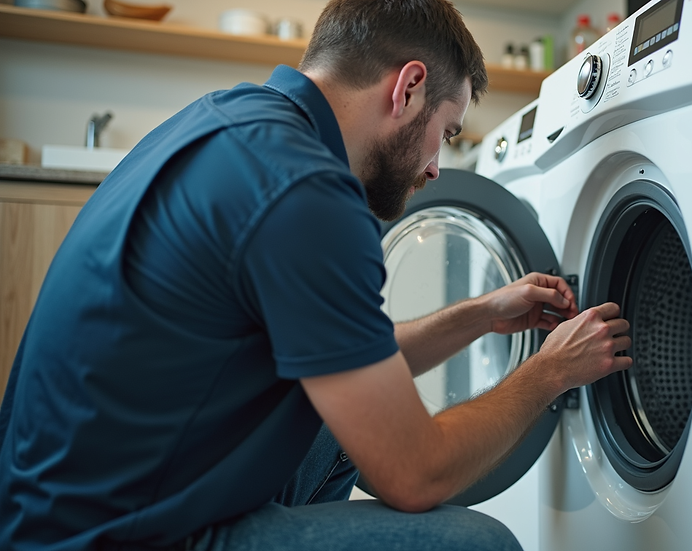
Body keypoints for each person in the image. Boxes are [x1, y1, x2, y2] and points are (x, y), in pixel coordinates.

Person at [0, 1, 632, 549]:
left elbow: (353, 364)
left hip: (54, 510)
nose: (438, 166)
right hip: (111, 536)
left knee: (337, 422)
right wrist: (550, 371)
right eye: (446, 130)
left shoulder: (237, 123)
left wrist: (480, 315)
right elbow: (415, 475)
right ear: (407, 87)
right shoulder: (308, 194)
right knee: (481, 542)